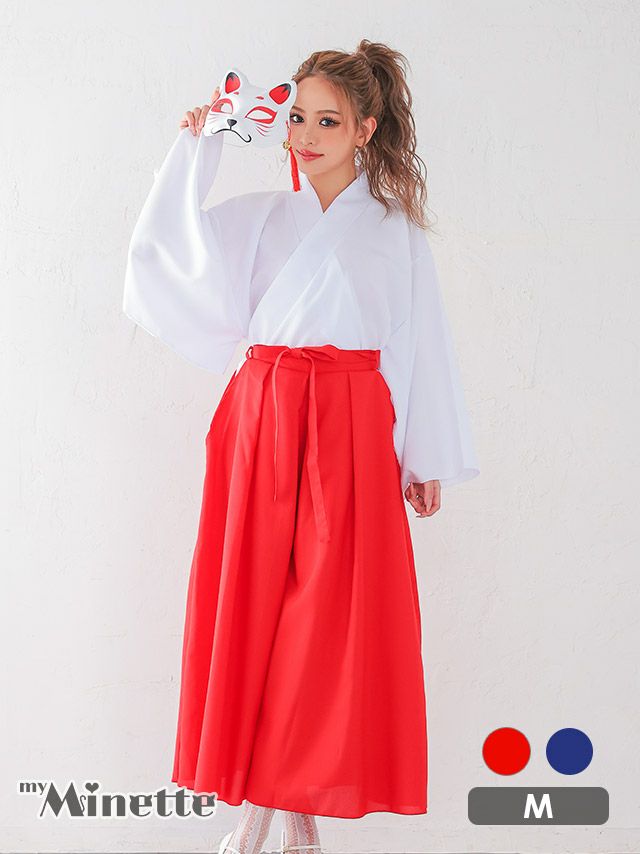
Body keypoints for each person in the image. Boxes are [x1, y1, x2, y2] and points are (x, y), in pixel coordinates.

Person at [123, 39, 479, 854]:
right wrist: (198, 148)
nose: (307, 135)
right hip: (264, 415)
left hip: (351, 425)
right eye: (298, 119)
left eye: (328, 121)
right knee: (252, 609)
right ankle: (280, 820)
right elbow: (166, 254)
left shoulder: (394, 232)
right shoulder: (261, 218)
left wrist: (421, 455)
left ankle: (275, 817)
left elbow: (416, 343)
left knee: (325, 624)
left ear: (365, 129)